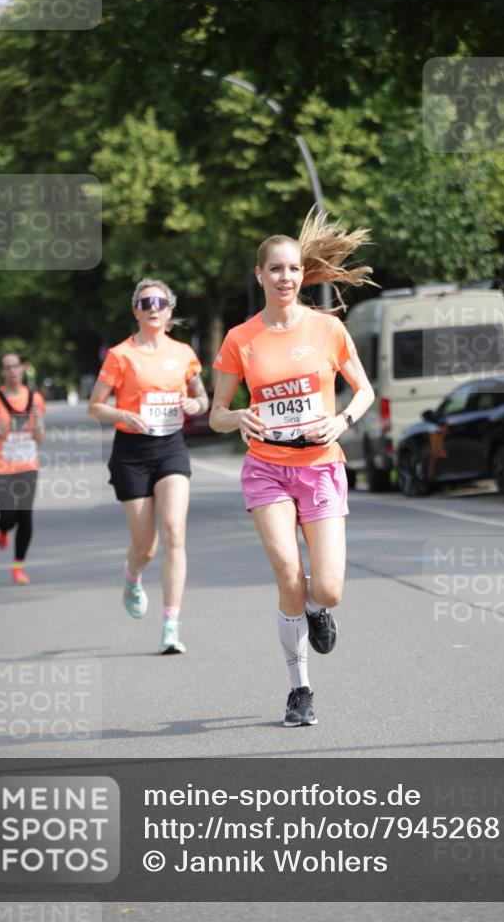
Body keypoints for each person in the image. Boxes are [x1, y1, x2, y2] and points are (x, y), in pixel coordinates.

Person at [210, 210, 376, 727]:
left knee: (326, 589)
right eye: (275, 269)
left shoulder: (328, 329)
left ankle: (315, 608)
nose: (285, 277)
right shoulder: (241, 338)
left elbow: (365, 390)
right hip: (266, 469)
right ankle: (299, 688)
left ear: (303, 275)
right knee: (287, 574)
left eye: (293, 269)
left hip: (322, 465)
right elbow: (215, 415)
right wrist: (237, 414)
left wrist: (343, 419)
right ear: (259, 275)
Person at [88, 278, 208, 654]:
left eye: (159, 302)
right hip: (132, 452)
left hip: (171, 447)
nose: (152, 307)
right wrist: (123, 412)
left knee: (174, 531)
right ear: (135, 311)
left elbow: (201, 395)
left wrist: (196, 404)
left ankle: (171, 626)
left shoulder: (184, 353)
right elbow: (95, 406)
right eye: (145, 302)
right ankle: (132, 576)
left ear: (170, 310)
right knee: (146, 546)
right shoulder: (121, 355)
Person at [0, 352, 46, 585]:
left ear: (22, 369)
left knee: (25, 515)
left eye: (16, 366)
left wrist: (39, 422)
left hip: (27, 463)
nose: (13, 370)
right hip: (1, 465)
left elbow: (40, 438)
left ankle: (18, 567)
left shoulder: (34, 398)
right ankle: (3, 529)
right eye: (8, 367)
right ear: (2, 372)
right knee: (8, 515)